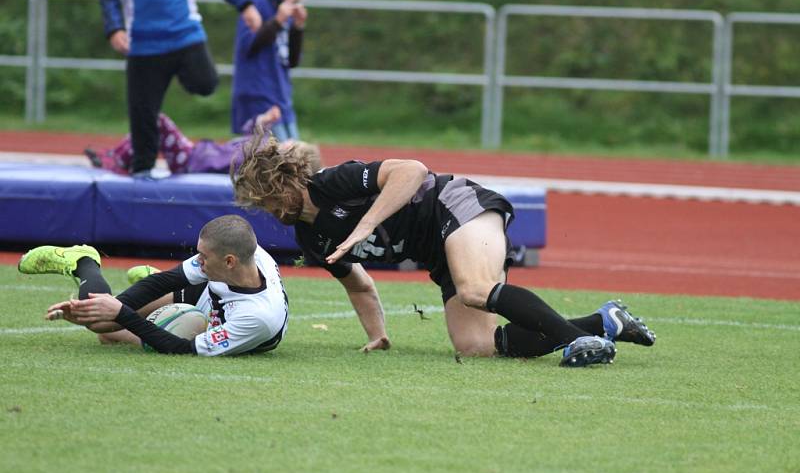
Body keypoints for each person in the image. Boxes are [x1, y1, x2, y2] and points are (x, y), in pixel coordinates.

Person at [231, 126, 657, 366]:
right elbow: (358, 285)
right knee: (475, 347)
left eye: (266, 199)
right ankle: (604, 323)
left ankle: (574, 342)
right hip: (439, 253)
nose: (267, 210)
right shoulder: (310, 236)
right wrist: (378, 334)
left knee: (474, 289)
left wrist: (365, 225)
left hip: (456, 205)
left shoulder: (331, 183)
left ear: (283, 183)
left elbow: (412, 171)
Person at [17, 215, 289, 357]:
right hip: (205, 293)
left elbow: (184, 350)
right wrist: (112, 308)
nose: (199, 260)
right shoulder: (238, 258)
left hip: (219, 323)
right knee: (99, 321)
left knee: (106, 332)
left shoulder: (257, 317)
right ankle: (84, 261)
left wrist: (119, 313)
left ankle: (154, 306)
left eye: (204, 257)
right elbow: (169, 279)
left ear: (230, 261)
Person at [100, 0, 263, 178]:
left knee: (206, 83)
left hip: (185, 37)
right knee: (142, 110)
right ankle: (142, 168)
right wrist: (114, 28)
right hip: (144, 45)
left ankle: (176, 71)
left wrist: (245, 5)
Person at [83, 107, 292, 175]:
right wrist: (265, 119)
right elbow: (253, 131)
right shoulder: (262, 144)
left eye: (293, 145)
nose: (288, 141)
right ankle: (118, 156)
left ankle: (119, 160)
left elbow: (257, 146)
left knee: (157, 120)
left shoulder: (261, 155)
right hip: (194, 153)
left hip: (191, 162)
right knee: (155, 124)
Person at [232, 0, 309, 141]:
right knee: (278, 159)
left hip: (281, 97)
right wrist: (278, 20)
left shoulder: (284, 9)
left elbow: (292, 61)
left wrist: (298, 27)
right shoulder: (257, 2)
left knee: (296, 157)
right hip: (258, 95)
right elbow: (248, 47)